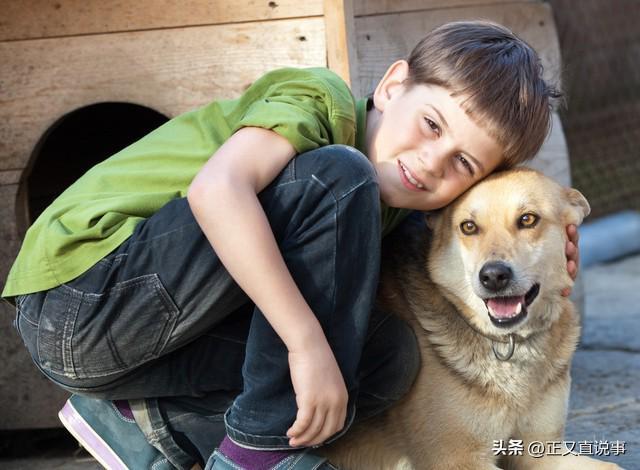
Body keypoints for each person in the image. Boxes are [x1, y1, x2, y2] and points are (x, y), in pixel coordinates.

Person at [3, 21, 579, 470]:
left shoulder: (394, 207)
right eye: (431, 124)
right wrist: (307, 345)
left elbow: (461, 244)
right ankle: (259, 454)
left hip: (144, 344)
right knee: (339, 180)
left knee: (387, 357)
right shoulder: (321, 102)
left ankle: (147, 423)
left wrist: (544, 251)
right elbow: (218, 190)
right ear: (393, 84)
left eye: (463, 163)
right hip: (83, 293)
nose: (431, 162)